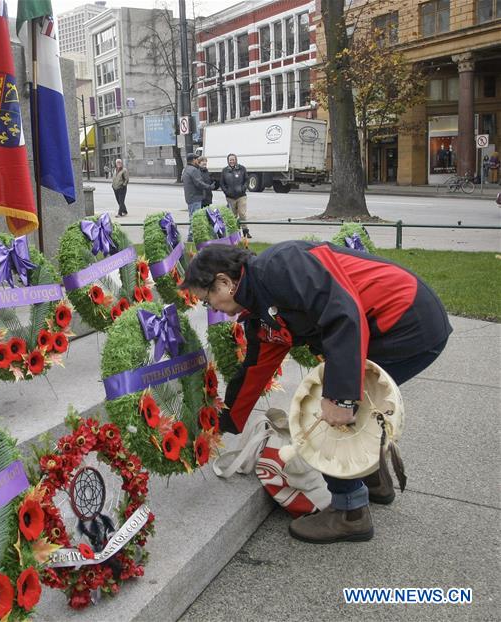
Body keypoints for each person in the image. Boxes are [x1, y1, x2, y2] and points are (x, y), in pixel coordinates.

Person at [180, 241, 452, 544]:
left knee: (326, 419)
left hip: (406, 320)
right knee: (353, 405)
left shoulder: (280, 266)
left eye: (207, 300)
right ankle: (373, 481)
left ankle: (350, 514)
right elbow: (256, 369)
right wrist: (222, 423)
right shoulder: (259, 304)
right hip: (392, 325)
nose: (212, 308)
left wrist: (340, 397)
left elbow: (342, 314)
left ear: (224, 282)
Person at [182, 153, 214, 242]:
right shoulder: (193, 170)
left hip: (190, 197)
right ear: (193, 160)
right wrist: (209, 187)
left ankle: (191, 236)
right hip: (195, 197)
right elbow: (199, 183)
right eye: (196, 159)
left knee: (192, 216)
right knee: (195, 218)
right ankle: (191, 237)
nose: (198, 160)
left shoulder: (186, 169)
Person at [221, 154, 251, 238]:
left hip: (241, 196)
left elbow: (246, 180)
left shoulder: (242, 169)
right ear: (228, 161)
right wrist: (226, 192)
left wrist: (243, 188)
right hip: (230, 197)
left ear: (236, 160)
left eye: (233, 159)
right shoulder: (225, 170)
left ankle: (245, 231)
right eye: (230, 160)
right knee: (232, 216)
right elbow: (222, 183)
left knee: (242, 214)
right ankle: (234, 233)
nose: (232, 161)